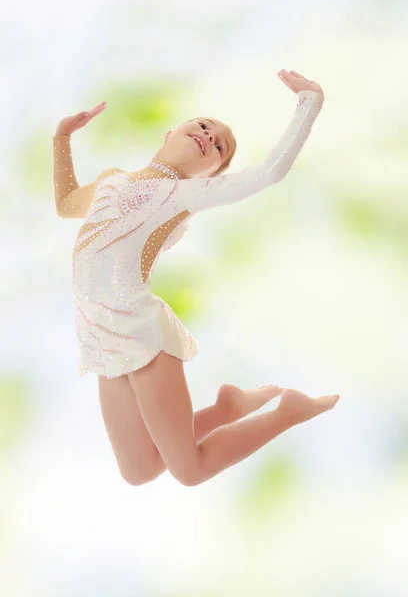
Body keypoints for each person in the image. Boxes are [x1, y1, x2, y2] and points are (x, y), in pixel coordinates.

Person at [53, 69, 339, 487]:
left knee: (190, 470)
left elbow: (270, 172)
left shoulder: (183, 196)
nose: (209, 135)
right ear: (169, 133)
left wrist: (309, 101)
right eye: (203, 125)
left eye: (219, 146)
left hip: (141, 335)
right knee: (140, 470)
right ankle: (228, 408)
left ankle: (288, 412)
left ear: (211, 177)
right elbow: (64, 204)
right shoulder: (111, 181)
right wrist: (61, 139)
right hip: (100, 341)